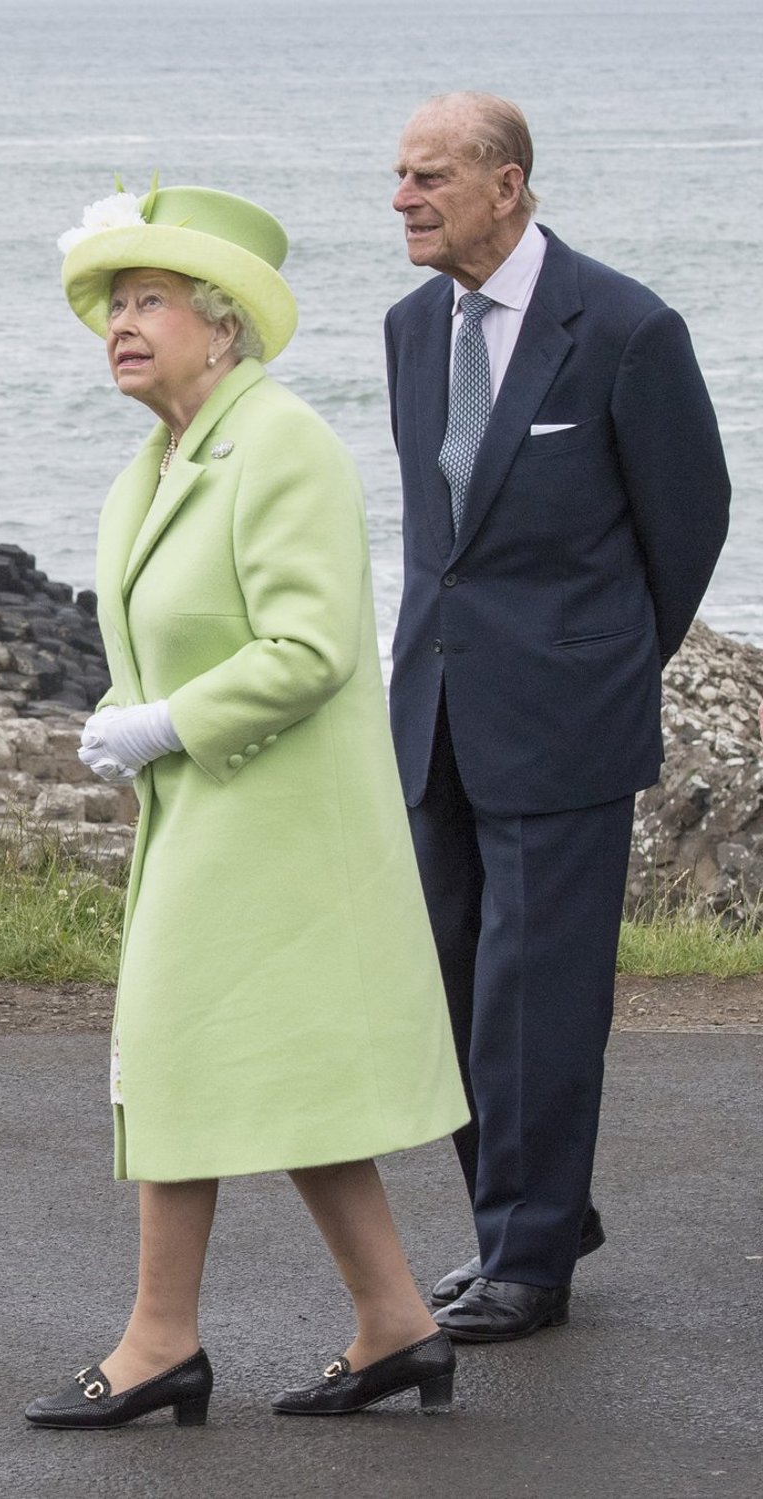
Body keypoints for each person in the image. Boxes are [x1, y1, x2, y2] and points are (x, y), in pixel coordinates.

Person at [23, 184, 471, 1430]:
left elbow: (311, 643)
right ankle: (396, 1322)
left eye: (147, 299)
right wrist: (137, 728)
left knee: (174, 1054)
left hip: (278, 823)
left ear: (221, 328)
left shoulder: (279, 442)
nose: (119, 321)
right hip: (211, 820)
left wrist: (162, 724)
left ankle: (158, 1340)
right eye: (111, 303)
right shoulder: (160, 457)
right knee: (286, 1073)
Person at [385, 93, 729, 1340]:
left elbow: (687, 520)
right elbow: (442, 537)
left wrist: (600, 657)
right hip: (432, 710)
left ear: (506, 184)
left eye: (427, 178)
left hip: (564, 713)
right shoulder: (409, 327)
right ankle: (533, 1208)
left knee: (537, 990)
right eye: (398, 177)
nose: (402, 200)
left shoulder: (625, 327)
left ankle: (526, 1258)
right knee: (449, 982)